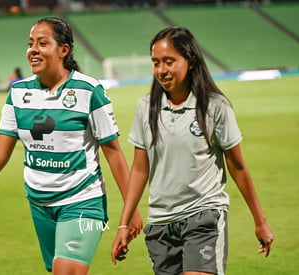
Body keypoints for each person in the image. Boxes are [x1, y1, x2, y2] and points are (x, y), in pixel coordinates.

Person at [0, 17, 142, 275]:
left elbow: (114, 153)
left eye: (43, 43)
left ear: (63, 50)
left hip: (83, 201)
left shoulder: (88, 90)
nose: (33, 49)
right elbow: (0, 150)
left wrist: (130, 210)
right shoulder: (18, 93)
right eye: (31, 43)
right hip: (39, 205)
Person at [111, 26, 274, 275]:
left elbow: (237, 166)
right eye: (156, 63)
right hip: (160, 224)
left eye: (169, 61)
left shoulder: (215, 107)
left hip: (204, 217)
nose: (161, 70)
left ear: (191, 60)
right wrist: (124, 224)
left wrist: (260, 221)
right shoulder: (146, 107)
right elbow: (139, 169)